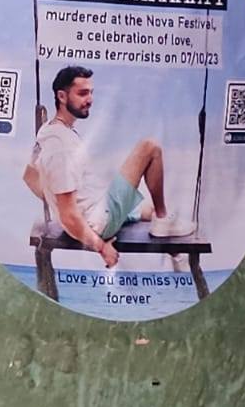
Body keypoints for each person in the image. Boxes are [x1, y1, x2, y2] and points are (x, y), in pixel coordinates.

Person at [23, 65, 194, 269]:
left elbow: (29, 177)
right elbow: (69, 217)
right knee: (150, 147)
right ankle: (164, 221)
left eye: (91, 93)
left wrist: (57, 203)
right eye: (82, 93)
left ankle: (177, 255)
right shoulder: (61, 146)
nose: (90, 99)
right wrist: (101, 246)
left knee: (147, 210)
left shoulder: (48, 131)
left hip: (96, 208)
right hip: (98, 221)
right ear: (61, 96)